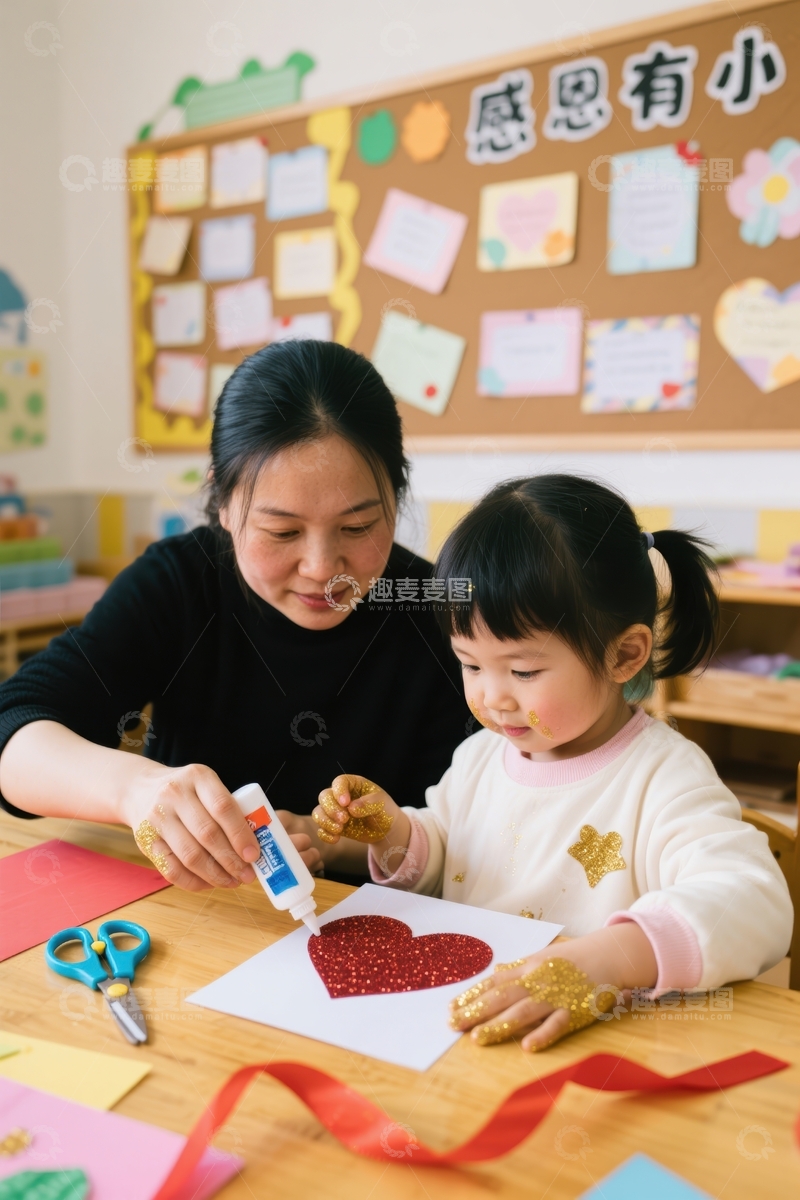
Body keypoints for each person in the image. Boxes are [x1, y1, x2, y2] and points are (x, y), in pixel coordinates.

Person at [312, 475, 793, 1051]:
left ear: (624, 655)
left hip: (601, 1047)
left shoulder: (665, 779)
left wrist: (609, 960)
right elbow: (449, 857)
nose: (493, 697)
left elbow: (754, 901)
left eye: (523, 671)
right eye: (471, 664)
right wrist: (395, 833)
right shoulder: (480, 756)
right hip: (475, 1027)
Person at [0, 340, 469, 891]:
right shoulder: (181, 582)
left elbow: (483, 832)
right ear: (223, 502)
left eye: (358, 527)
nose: (322, 568)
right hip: (194, 913)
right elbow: (14, 730)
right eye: (283, 532)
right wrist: (136, 790)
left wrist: (331, 842)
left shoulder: (439, 610)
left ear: (397, 494)